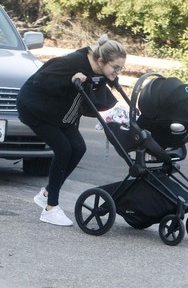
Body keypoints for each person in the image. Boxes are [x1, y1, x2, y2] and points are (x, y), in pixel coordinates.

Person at [16, 34, 127, 226]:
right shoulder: (71, 63)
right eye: (116, 68)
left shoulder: (97, 68)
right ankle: (50, 208)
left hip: (61, 114)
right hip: (35, 108)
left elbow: (96, 91)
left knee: (78, 148)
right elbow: (40, 81)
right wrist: (70, 80)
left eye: (121, 68)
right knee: (63, 149)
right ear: (101, 61)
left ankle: (47, 193)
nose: (118, 72)